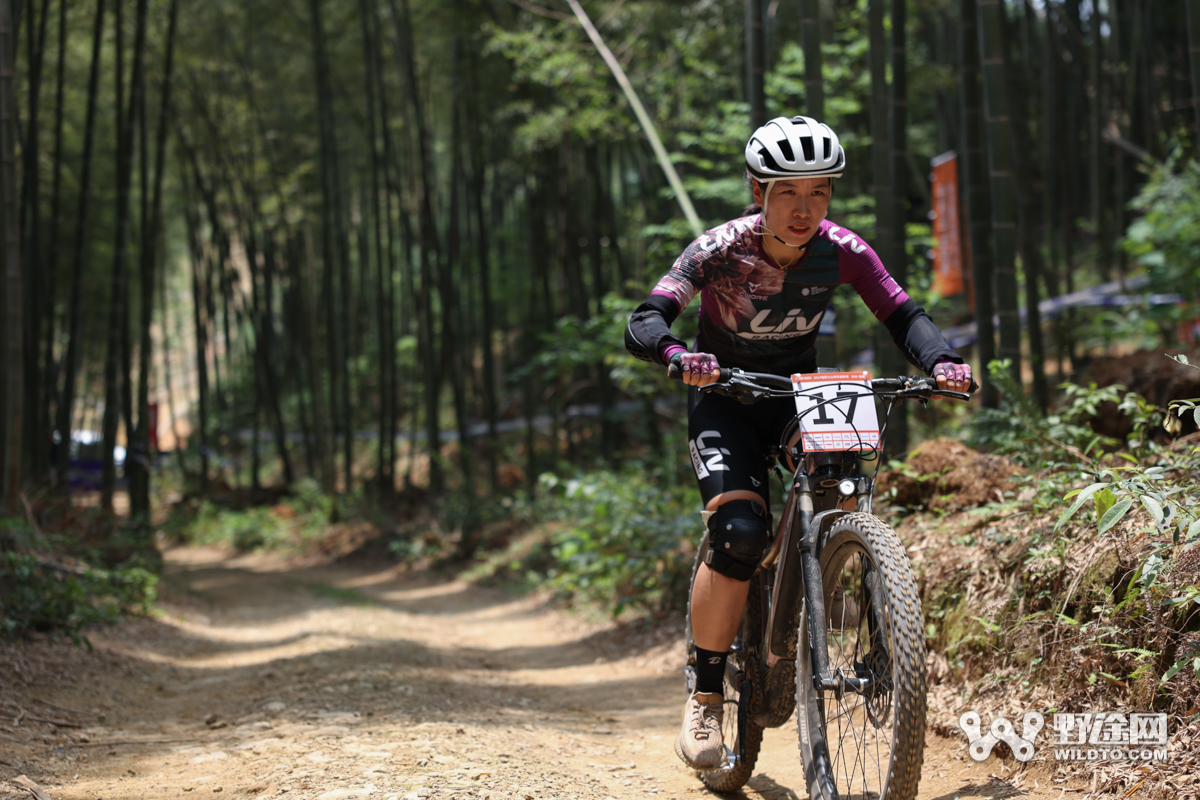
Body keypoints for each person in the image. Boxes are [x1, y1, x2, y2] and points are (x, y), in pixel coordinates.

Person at [623, 115, 973, 770]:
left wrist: (942, 362)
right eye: (788, 192)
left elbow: (903, 314)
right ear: (759, 191)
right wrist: (676, 353)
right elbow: (645, 318)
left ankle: (826, 577)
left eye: (819, 192)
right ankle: (704, 697)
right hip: (725, 395)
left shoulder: (844, 250)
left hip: (800, 391)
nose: (804, 208)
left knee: (844, 486)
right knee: (739, 536)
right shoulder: (719, 248)